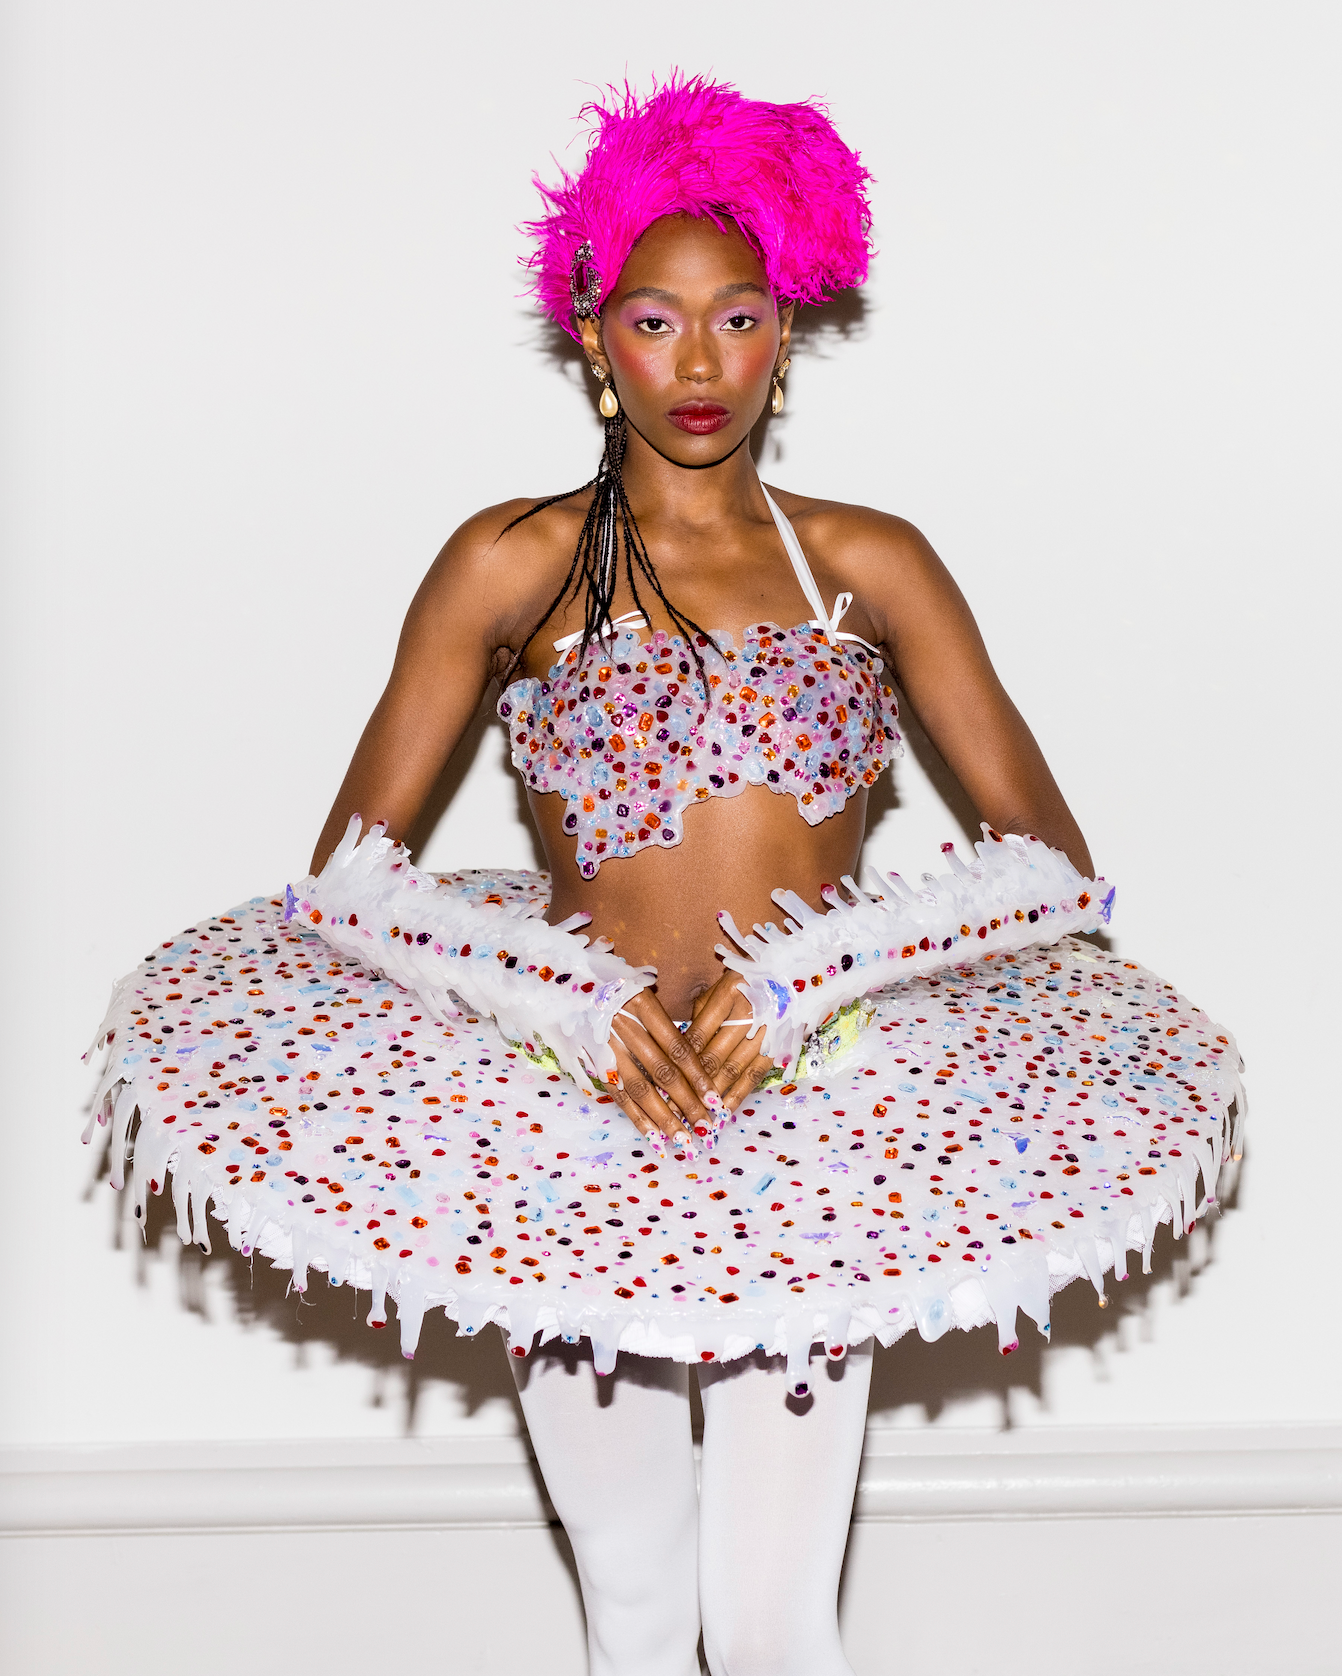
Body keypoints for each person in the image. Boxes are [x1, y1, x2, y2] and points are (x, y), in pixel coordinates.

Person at [91, 77, 1242, 1676]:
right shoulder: (509, 562)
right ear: (591, 335)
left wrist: (804, 986)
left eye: (737, 320)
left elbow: (1051, 868)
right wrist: (559, 1003)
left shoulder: (869, 562)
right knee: (632, 1601)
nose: (699, 365)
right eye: (653, 322)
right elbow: (344, 885)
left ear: (787, 333)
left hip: (813, 1114)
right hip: (576, 1123)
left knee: (769, 1623)